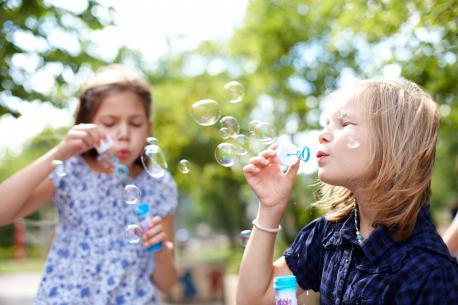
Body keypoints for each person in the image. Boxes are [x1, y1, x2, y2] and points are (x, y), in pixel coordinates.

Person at [237, 79, 458, 305]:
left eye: (344, 124)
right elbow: (253, 299)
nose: (322, 135)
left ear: (392, 143)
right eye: (326, 124)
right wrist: (270, 207)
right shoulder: (329, 235)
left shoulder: (430, 272)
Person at [0, 65, 178, 304]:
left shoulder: (159, 185)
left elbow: (166, 283)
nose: (123, 133)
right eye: (109, 122)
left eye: (135, 123)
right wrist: (59, 153)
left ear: (149, 129)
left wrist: (162, 254)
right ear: (88, 125)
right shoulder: (70, 171)